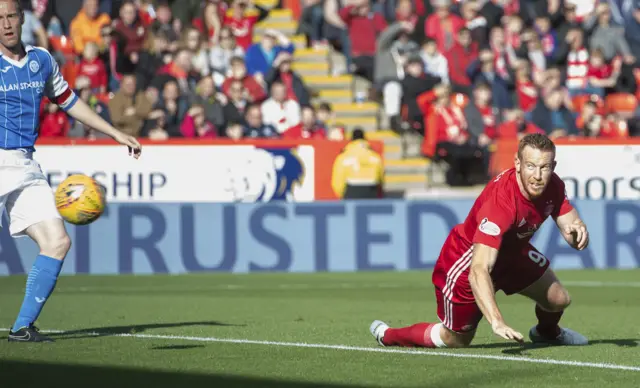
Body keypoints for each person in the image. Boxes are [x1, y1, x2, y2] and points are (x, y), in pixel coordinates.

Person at [0, 0, 141, 343]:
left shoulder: (42, 60)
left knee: (57, 240)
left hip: (24, 165)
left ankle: (22, 327)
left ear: (23, 19)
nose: (5, 24)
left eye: (11, 16)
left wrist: (115, 133)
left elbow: (70, 101)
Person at [370, 133, 589, 348]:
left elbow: (570, 228)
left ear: (553, 166)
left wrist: (578, 233)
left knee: (558, 300)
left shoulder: (554, 186)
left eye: (544, 167)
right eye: (531, 166)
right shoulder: (501, 204)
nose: (538, 176)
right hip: (468, 259)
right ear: (518, 163)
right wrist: (496, 320)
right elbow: (479, 269)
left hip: (511, 254)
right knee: (456, 339)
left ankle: (546, 333)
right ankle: (388, 335)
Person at [331, 128, 383, 199]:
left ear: (351, 140)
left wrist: (342, 195)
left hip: (351, 190)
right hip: (371, 190)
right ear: (364, 139)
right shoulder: (374, 156)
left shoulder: (344, 156)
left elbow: (337, 180)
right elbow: (381, 177)